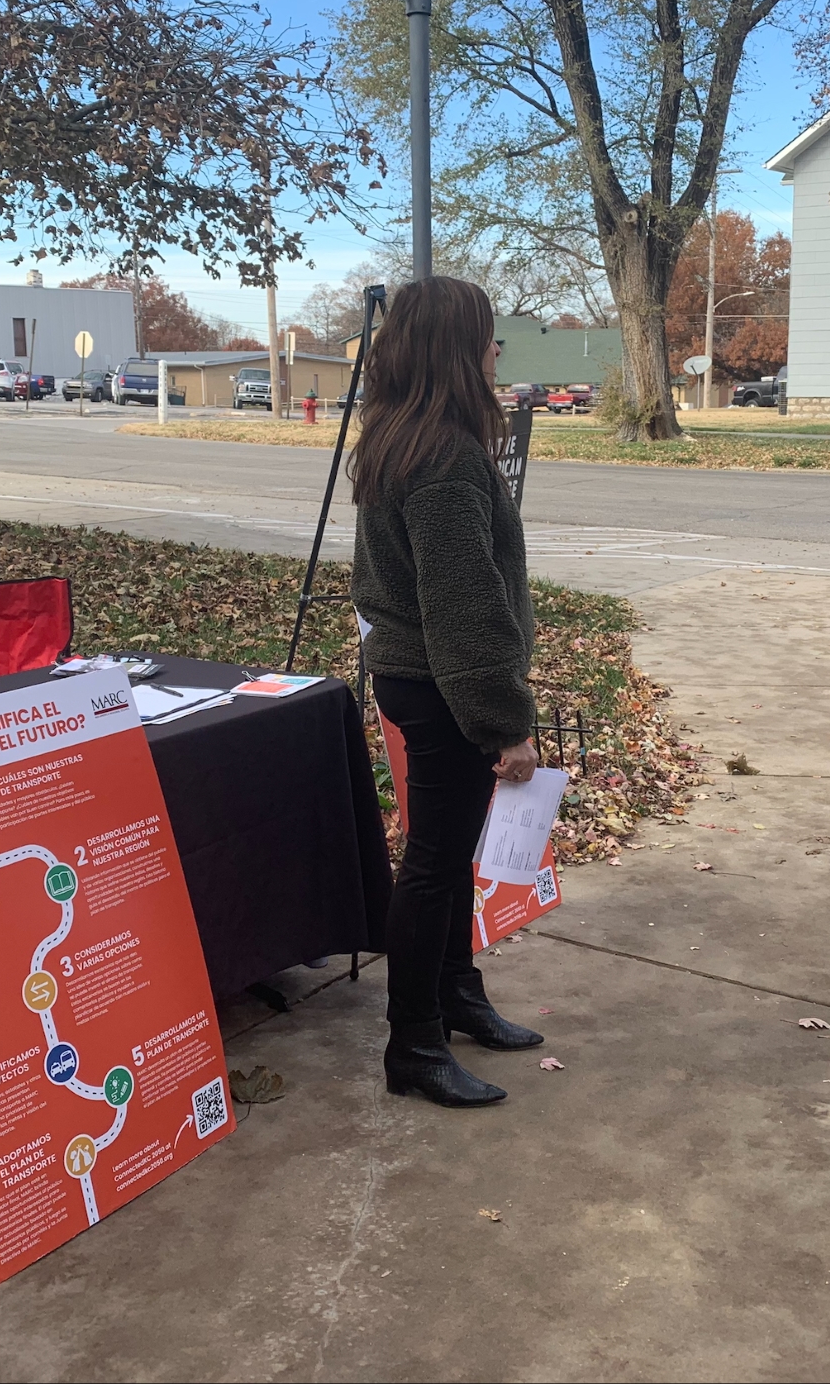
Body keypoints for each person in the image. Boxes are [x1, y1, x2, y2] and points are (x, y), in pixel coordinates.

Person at [351, 275, 543, 1109]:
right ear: (456, 351)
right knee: (432, 863)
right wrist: (506, 724)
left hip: (413, 673)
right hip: (441, 685)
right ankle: (414, 1044)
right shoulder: (446, 456)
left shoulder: (397, 435)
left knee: (446, 851)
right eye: (486, 336)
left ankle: (457, 996)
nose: (497, 350)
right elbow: (464, 612)